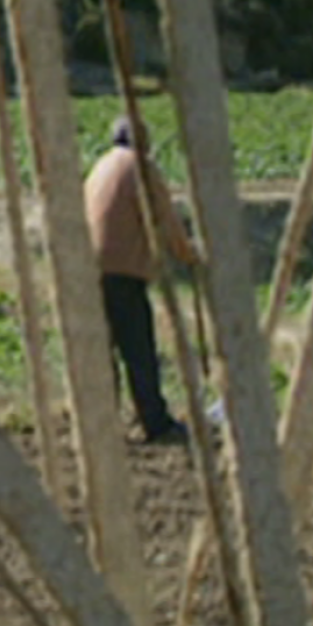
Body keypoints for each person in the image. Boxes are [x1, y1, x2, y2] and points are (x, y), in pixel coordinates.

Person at [84, 115, 199, 444]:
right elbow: (166, 218)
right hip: (122, 273)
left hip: (89, 270)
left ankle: (101, 425)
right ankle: (156, 423)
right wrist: (188, 254)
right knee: (139, 351)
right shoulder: (143, 168)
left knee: (102, 352)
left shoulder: (99, 168)